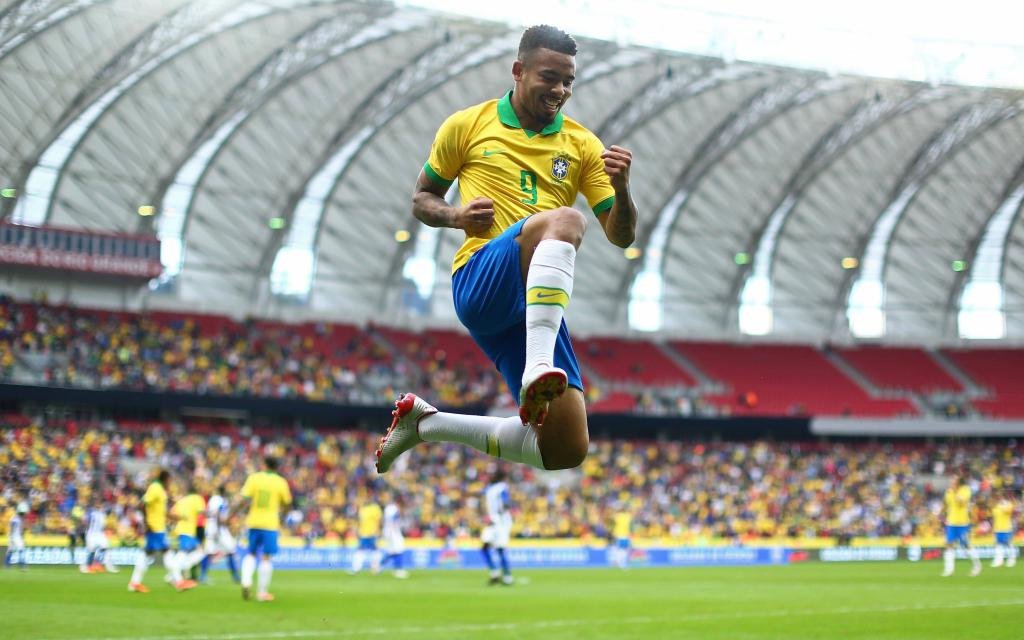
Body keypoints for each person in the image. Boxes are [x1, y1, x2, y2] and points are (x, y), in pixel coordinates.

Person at [375, 24, 637, 475]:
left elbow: (621, 235)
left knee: (565, 449)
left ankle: (425, 426)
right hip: (481, 278)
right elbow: (422, 198)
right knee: (566, 218)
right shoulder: (468, 125)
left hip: (533, 305)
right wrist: (456, 217)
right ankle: (538, 365)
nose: (560, 90)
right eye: (549, 77)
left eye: (569, 81)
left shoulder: (581, 144)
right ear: (518, 71)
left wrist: (622, 188)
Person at [128, 469, 195, 593]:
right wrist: (147, 522)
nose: (170, 483)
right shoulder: (155, 488)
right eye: (170, 480)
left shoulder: (160, 490)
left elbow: (161, 511)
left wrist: (176, 517)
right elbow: (142, 505)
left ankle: (134, 583)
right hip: (155, 527)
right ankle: (178, 581)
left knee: (147, 554)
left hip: (158, 526)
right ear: (165, 479)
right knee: (166, 552)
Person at [237, 456, 292, 602]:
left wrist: (230, 514)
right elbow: (287, 504)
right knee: (266, 557)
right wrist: (282, 518)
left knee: (251, 553)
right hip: (270, 523)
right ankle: (262, 593)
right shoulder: (281, 482)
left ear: (264, 464)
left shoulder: (254, 478)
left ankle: (246, 581)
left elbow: (243, 499)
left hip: (254, 521)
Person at [941, 472, 982, 577]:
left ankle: (976, 565)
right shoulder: (948, 492)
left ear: (959, 482)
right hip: (951, 522)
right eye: (951, 480)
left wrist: (954, 491)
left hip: (962, 523)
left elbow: (961, 502)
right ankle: (949, 569)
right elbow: (948, 504)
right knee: (949, 544)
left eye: (953, 480)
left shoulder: (965, 490)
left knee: (966, 545)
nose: (951, 482)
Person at [169, 480, 207, 584]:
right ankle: (173, 575)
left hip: (179, 530)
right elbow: (203, 512)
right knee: (185, 553)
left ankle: (178, 572)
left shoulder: (182, 500)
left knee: (199, 551)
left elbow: (171, 513)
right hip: (188, 530)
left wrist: (180, 518)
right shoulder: (197, 498)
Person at [202, 483, 240, 584]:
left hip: (212, 528)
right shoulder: (218, 499)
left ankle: (202, 576)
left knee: (210, 551)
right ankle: (235, 576)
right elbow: (218, 514)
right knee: (230, 550)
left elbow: (210, 513)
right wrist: (219, 528)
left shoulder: (215, 499)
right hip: (217, 529)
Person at [481, 471, 514, 586]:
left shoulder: (499, 487)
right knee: (485, 547)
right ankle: (495, 574)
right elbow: (482, 494)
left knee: (499, 549)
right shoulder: (493, 488)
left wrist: (502, 511)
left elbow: (505, 501)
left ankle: (507, 577)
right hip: (493, 520)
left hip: (501, 521)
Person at [81, 496, 118, 574]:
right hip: (91, 534)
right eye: (97, 504)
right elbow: (84, 520)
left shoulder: (102, 513)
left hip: (99, 534)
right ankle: (85, 566)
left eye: (100, 504)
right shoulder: (91, 512)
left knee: (105, 547)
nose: (99, 505)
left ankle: (99, 564)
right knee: (91, 550)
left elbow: (109, 512)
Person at [349, 498, 382, 575]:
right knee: (373, 551)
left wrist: (379, 530)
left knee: (363, 551)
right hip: (365, 533)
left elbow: (379, 520)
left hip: (371, 533)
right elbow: (360, 521)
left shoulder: (374, 508)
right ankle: (375, 569)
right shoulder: (364, 509)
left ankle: (357, 569)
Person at [380, 493, 409, 579]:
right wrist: (393, 531)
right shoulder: (394, 508)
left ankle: (380, 565)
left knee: (393, 550)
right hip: (392, 531)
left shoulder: (389, 507)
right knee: (398, 548)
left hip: (389, 531)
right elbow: (393, 520)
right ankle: (398, 570)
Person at [991, 488, 1017, 568]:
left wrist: (1001, 505)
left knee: (1008, 544)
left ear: (1003, 496)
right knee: (998, 545)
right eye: (996, 496)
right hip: (997, 528)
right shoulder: (995, 506)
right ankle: (999, 560)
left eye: (999, 496)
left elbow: (1009, 511)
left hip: (1006, 528)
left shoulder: (1008, 504)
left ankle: (1012, 559)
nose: (998, 497)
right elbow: (994, 516)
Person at [5, 501, 28, 571]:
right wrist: (12, 537)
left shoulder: (17, 518)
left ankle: (7, 566)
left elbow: (18, 529)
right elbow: (12, 528)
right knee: (21, 549)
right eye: (23, 513)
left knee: (10, 550)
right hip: (15, 536)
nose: (24, 514)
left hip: (14, 536)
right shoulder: (15, 518)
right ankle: (23, 566)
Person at [610, 504, 632, 570]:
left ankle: (618, 562)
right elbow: (629, 526)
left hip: (619, 535)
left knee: (619, 550)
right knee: (624, 550)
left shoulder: (617, 516)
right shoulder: (628, 516)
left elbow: (612, 520)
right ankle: (622, 563)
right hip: (625, 535)